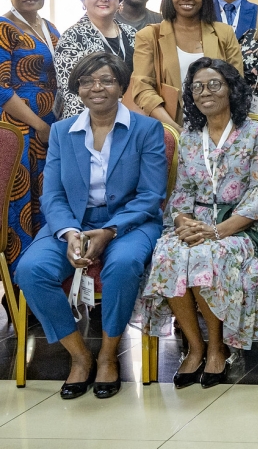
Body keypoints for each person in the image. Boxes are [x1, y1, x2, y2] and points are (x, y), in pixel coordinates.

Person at [15, 52, 166, 400]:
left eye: (107, 80)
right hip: (73, 223)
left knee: (124, 264)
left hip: (130, 222)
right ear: (77, 88)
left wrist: (110, 231)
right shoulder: (61, 132)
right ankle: (80, 356)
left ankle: (109, 356)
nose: (97, 87)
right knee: (31, 270)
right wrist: (69, 233)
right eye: (87, 81)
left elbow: (150, 195)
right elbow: (51, 195)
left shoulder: (147, 129)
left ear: (121, 86)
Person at [135, 59, 258, 389]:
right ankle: (195, 346)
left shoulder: (255, 133)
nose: (205, 92)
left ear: (231, 89)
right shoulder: (189, 137)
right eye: (197, 87)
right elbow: (183, 190)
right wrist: (183, 223)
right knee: (168, 252)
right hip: (197, 223)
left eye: (214, 84)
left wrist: (217, 231)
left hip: (243, 227)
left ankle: (217, 347)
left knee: (204, 255)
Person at [132, 0, 243, 131]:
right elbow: (143, 88)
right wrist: (176, 129)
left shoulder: (224, 33)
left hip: (219, 128)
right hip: (168, 129)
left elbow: (236, 83)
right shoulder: (148, 36)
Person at [0, 0, 59, 262]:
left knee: (48, 205)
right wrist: (39, 125)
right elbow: (0, 89)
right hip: (20, 132)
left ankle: (44, 287)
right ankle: (16, 299)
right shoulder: (3, 27)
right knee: (21, 208)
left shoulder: (47, 26)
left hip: (49, 132)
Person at [54, 0, 138, 118]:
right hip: (87, 123)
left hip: (132, 119)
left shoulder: (132, 33)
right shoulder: (72, 38)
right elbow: (72, 95)